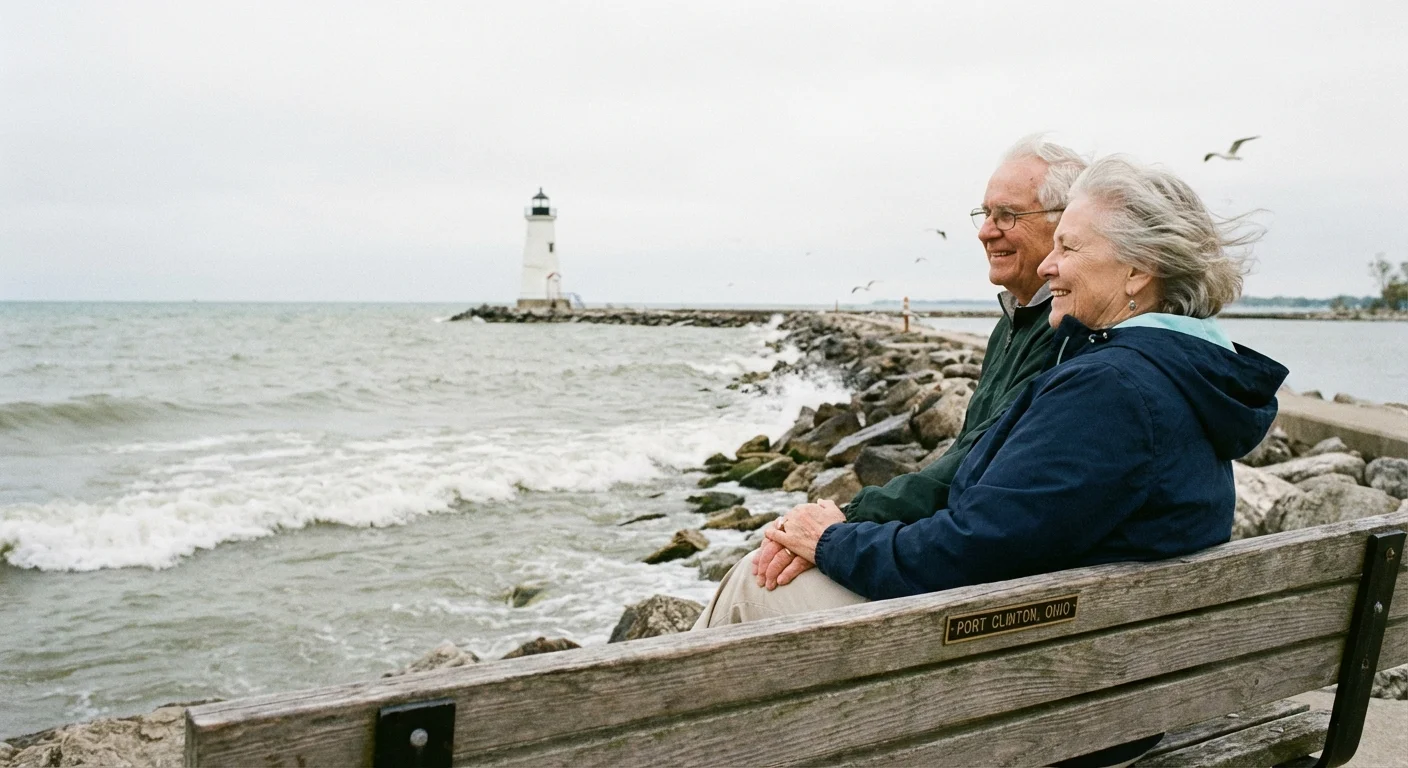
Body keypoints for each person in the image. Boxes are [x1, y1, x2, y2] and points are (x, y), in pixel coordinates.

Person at [695, 153, 1287, 623]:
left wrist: (833, 541)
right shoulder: (1189, 374)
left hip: (1040, 700)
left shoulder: (1113, 390)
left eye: (1069, 247)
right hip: (1114, 676)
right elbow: (1012, 532)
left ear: (1139, 269)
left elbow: (970, 549)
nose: (1049, 266)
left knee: (758, 581)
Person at [749, 135, 1087, 592]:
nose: (986, 231)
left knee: (755, 582)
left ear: (1066, 225)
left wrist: (846, 522)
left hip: (990, 590)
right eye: (984, 214)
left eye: (1007, 215)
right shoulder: (1013, 323)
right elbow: (969, 460)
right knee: (764, 570)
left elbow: (977, 475)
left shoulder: (1065, 334)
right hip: (975, 566)